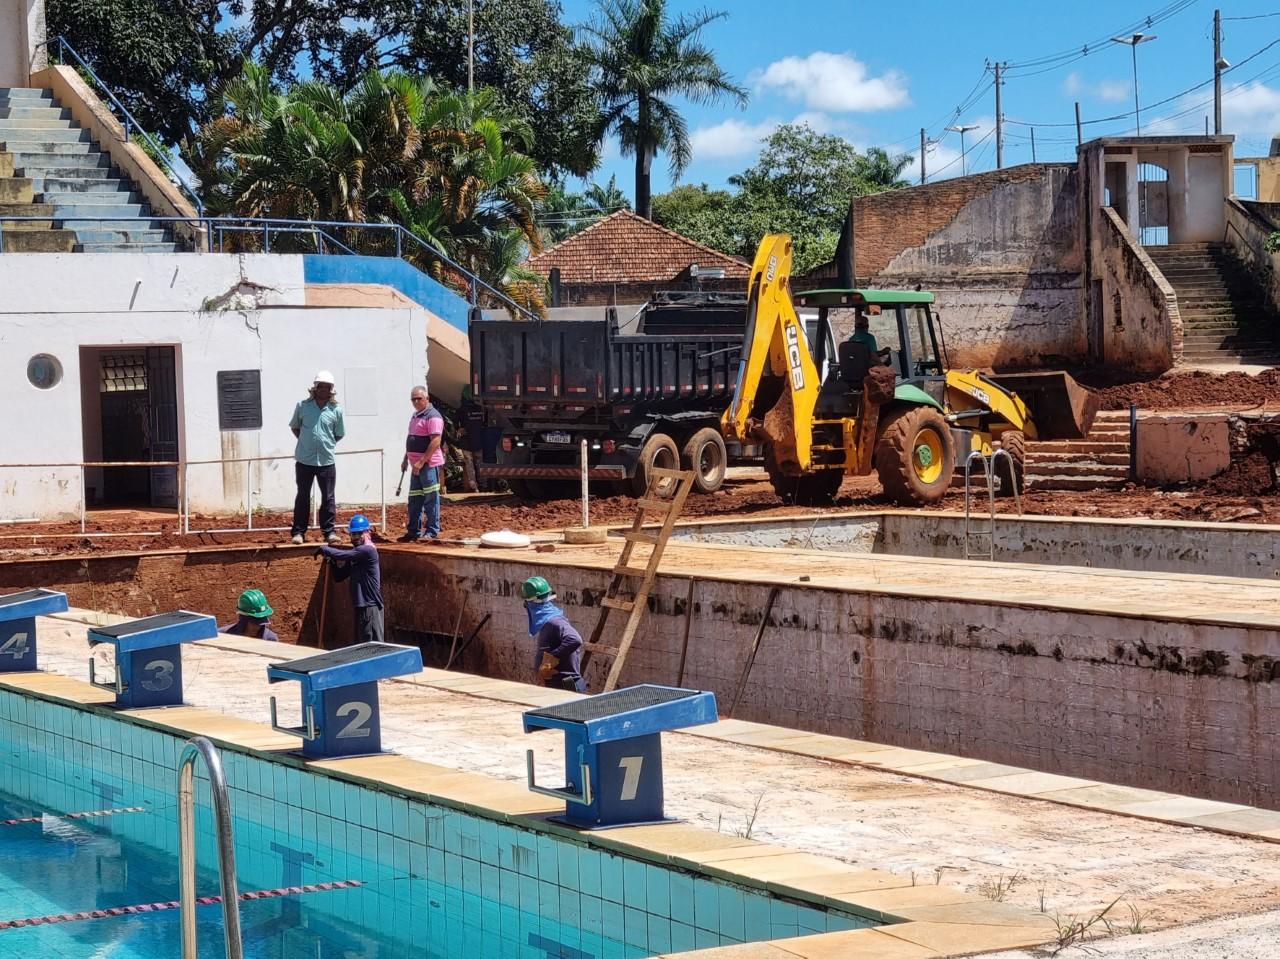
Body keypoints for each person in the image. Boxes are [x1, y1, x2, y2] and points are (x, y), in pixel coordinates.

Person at [289, 371, 345, 545]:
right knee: (303, 496)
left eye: (327, 387)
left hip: (326, 461)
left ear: (331, 390)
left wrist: (325, 443)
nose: (323, 390)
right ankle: (299, 532)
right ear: (315, 388)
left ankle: (329, 532)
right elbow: (295, 427)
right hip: (304, 460)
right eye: (321, 386)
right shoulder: (302, 406)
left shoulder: (336, 410)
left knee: (328, 497)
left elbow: (339, 434)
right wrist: (306, 442)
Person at [318, 514, 384, 644]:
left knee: (373, 648)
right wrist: (332, 562)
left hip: (370, 607)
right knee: (361, 646)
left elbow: (343, 554)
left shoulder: (368, 551)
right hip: (360, 608)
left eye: (359, 534)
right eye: (353, 534)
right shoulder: (356, 555)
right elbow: (339, 576)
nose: (356, 537)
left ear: (367, 533)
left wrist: (326, 549)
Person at [521, 576, 585, 692]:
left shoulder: (554, 621)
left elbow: (575, 639)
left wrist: (552, 658)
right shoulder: (547, 622)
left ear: (531, 603)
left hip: (567, 687)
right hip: (556, 687)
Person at [399, 386, 445, 542]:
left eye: (419, 398)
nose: (416, 402)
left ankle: (432, 530)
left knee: (431, 498)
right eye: (413, 399)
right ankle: (413, 531)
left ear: (427, 399)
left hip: (428, 465)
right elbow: (412, 438)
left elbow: (436, 441)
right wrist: (406, 459)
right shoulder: (415, 416)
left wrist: (422, 461)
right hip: (416, 465)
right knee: (415, 498)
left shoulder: (433, 416)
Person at [457, 385, 485, 493]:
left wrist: (460, 429)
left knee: (469, 464)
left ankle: (474, 486)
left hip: (466, 442)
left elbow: (457, 426)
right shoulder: (481, 408)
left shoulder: (460, 410)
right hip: (478, 440)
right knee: (479, 462)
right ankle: (483, 484)